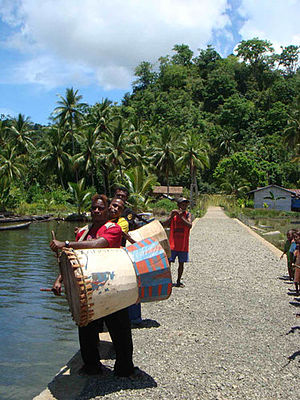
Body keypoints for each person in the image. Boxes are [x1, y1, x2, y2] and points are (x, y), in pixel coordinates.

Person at [50, 194, 137, 377]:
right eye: (94, 208)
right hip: (88, 289)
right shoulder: (83, 232)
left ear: (106, 211)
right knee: (86, 329)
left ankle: (124, 369)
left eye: (101, 208)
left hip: (110, 286)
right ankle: (91, 366)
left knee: (119, 329)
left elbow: (99, 244)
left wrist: (65, 243)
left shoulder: (112, 229)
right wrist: (60, 280)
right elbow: (73, 260)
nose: (97, 211)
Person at [114, 187, 143, 324]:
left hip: (124, 251)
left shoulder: (128, 215)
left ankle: (135, 318)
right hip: (109, 251)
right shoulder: (108, 212)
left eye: (123, 196)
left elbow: (129, 230)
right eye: (118, 195)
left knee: (132, 282)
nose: (120, 198)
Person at [162, 197, 192, 288]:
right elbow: (164, 224)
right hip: (173, 244)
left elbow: (189, 225)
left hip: (183, 244)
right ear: (178, 205)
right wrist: (172, 216)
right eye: (183, 204)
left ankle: (178, 281)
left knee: (181, 263)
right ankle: (168, 281)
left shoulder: (187, 215)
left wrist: (180, 216)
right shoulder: (173, 215)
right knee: (169, 263)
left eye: (186, 205)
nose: (184, 206)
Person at [292, 230, 300, 295]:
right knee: (297, 280)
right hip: (297, 264)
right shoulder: (297, 246)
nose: (295, 239)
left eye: (296, 237)